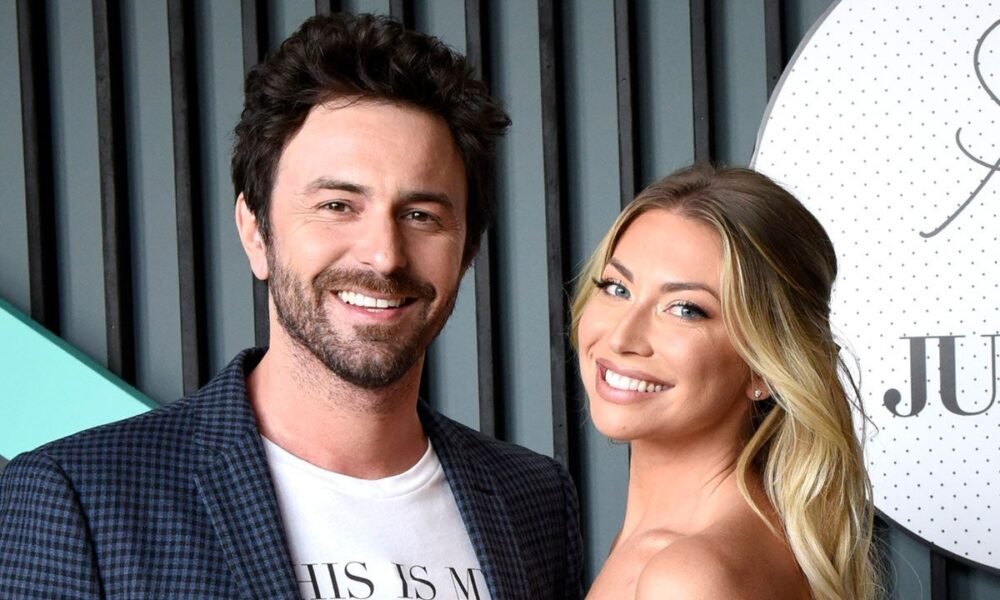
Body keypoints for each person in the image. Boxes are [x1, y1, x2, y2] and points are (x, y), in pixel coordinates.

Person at [0, 13, 583, 599]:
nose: (384, 255)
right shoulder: (81, 499)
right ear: (255, 232)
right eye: (337, 206)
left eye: (420, 215)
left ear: (467, 249)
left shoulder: (533, 501)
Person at [572, 164, 879, 600]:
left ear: (764, 366)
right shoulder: (664, 544)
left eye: (685, 309)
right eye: (617, 288)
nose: (622, 338)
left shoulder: (687, 578)